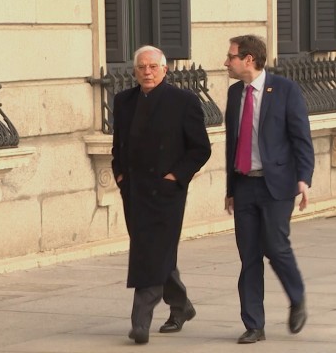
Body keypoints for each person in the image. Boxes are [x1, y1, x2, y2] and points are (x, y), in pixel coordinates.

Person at [111, 45, 211, 344]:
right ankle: (181, 306)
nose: (147, 71)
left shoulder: (184, 101)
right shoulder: (123, 101)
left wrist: (175, 176)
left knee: (149, 252)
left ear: (165, 70)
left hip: (167, 192)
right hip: (134, 191)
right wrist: (120, 173)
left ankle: (140, 322)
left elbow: (200, 149)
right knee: (155, 249)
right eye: (142, 67)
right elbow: (118, 145)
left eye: (153, 66)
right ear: (135, 71)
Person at [223, 35, 314, 344]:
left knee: (275, 247)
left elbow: (301, 137)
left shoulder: (285, 90)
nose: (226, 62)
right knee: (248, 257)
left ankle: (297, 296)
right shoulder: (235, 94)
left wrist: (304, 179)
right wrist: (230, 188)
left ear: (249, 59)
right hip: (245, 184)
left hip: (277, 185)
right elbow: (232, 144)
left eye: (231, 56)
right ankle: (254, 324)